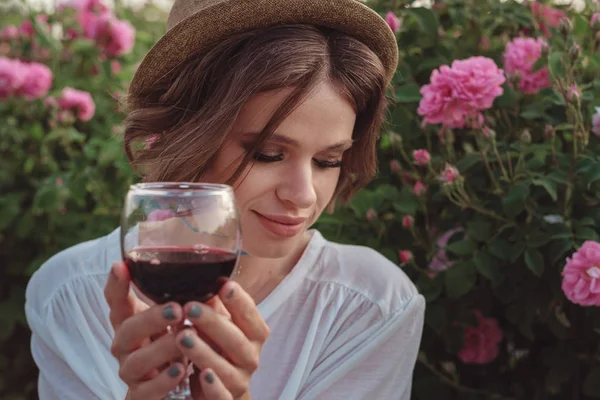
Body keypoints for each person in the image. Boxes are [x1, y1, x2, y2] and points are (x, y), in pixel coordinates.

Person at [25, 0, 426, 398]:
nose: (302, 196)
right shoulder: (70, 296)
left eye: (328, 160)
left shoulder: (370, 304)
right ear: (188, 133)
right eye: (268, 154)